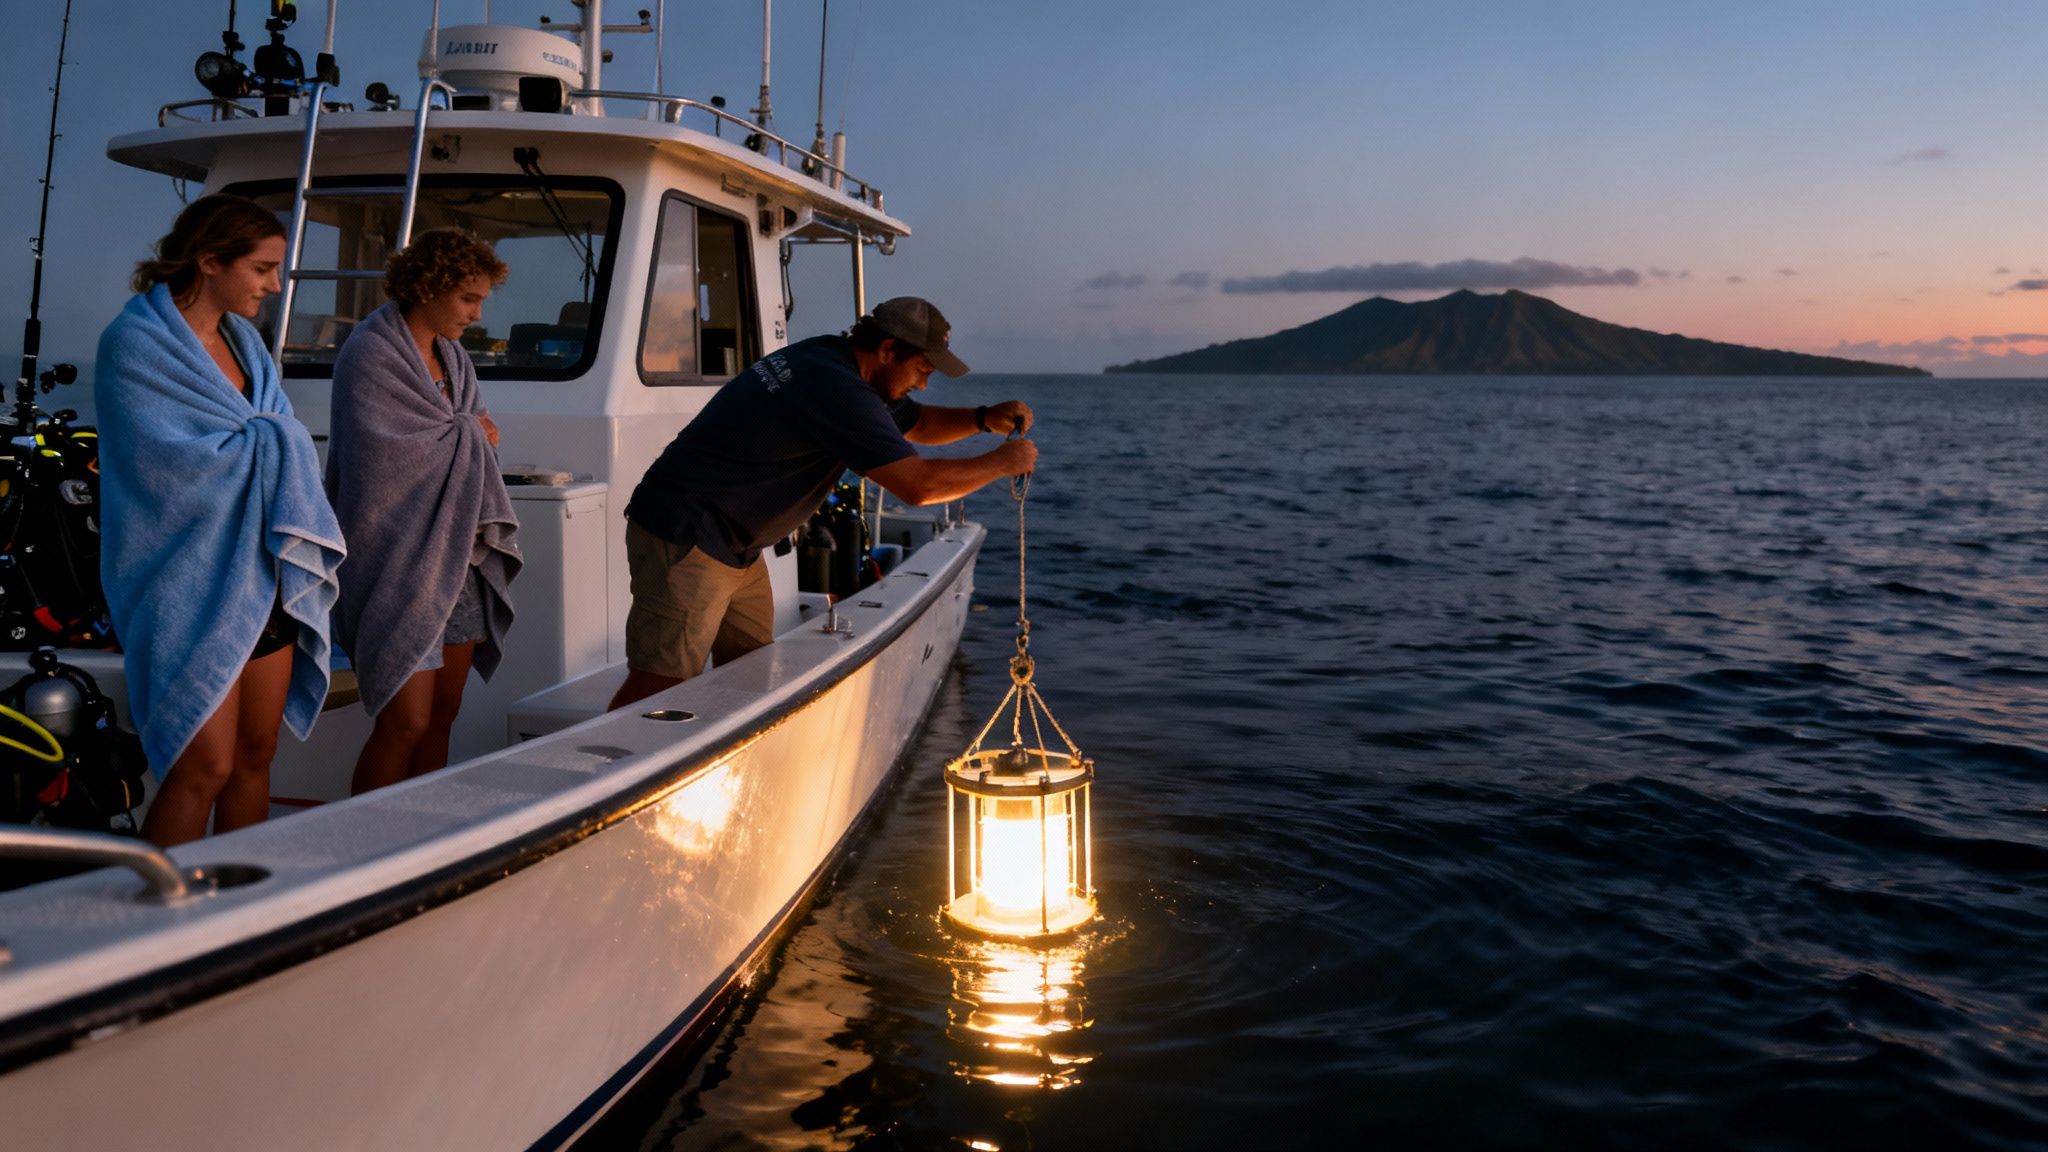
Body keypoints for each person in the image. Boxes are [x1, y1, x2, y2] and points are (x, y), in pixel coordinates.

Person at [608, 296, 1036, 711]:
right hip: (689, 535)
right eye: (922, 369)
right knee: (657, 688)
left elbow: (918, 422)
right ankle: (605, 771)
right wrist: (1000, 463)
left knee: (748, 673)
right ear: (888, 350)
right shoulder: (838, 389)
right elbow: (917, 487)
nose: (923, 383)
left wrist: (982, 418)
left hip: (735, 543)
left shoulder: (832, 359)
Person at [95, 194, 346, 847]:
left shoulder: (245, 343)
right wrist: (274, 442)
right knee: (203, 765)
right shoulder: (136, 343)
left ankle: (239, 910)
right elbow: (163, 470)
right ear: (210, 261)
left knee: (257, 756)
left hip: (263, 578)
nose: (272, 286)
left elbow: (266, 433)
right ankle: (153, 926)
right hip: (188, 580)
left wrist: (274, 440)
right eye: (261, 269)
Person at [328, 228, 522, 795]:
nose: (477, 312)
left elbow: (477, 440)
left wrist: (467, 433)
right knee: (403, 720)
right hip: (395, 556)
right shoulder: (370, 353)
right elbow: (381, 460)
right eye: (468, 298)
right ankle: (362, 846)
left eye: (482, 299)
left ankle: (420, 835)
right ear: (428, 288)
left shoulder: (455, 358)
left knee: (444, 711)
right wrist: (467, 431)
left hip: (459, 554)